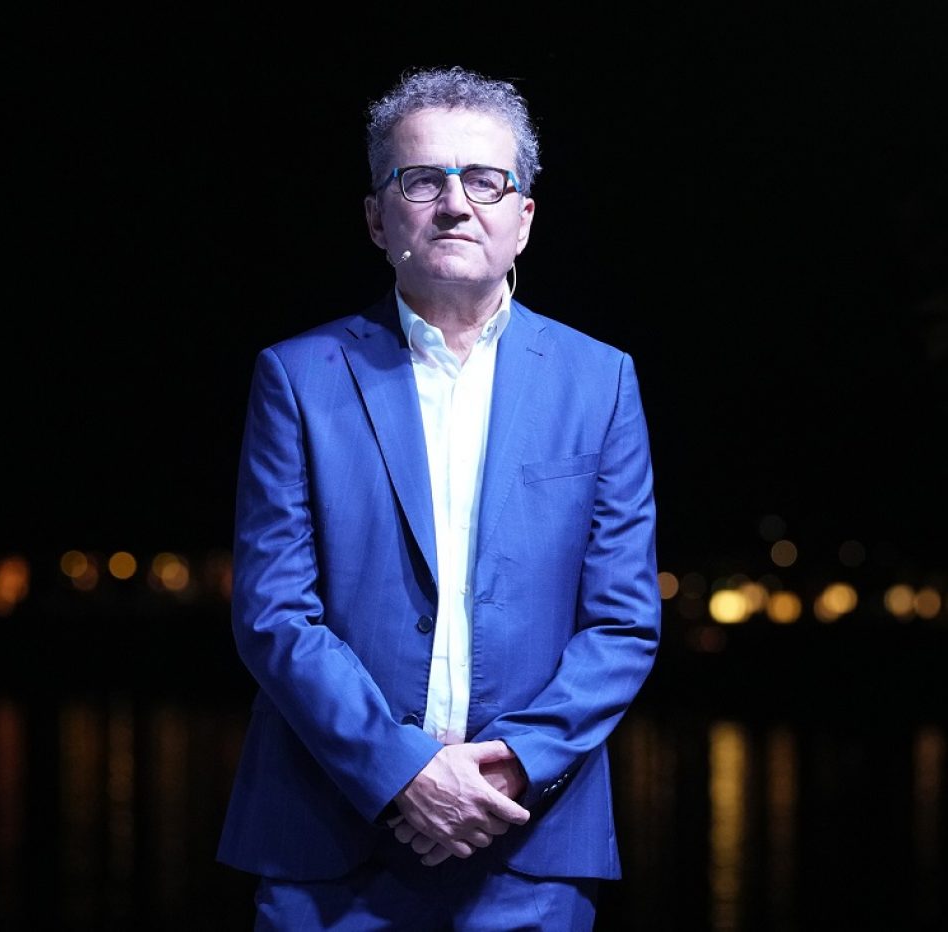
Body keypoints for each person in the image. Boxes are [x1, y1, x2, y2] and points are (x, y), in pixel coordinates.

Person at [215, 64, 662, 930]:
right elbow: (273, 613)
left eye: (487, 180)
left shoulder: (601, 381)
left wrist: (511, 766)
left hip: (527, 842)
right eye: (423, 179)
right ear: (377, 219)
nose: (457, 204)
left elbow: (623, 622)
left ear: (523, 218)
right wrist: (404, 773)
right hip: (329, 848)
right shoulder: (298, 377)